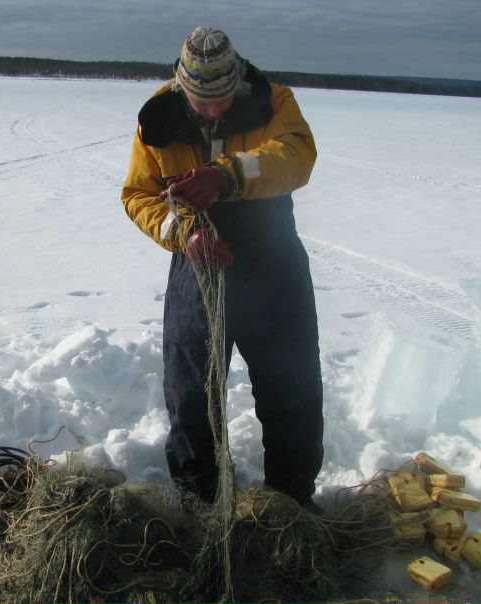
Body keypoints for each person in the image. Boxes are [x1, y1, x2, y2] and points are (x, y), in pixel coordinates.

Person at [121, 27, 324, 507]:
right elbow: (138, 195)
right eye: (200, 100)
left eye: (222, 99)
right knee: (191, 389)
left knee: (290, 384)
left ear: (236, 83)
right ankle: (200, 498)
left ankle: (290, 502)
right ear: (181, 87)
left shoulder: (274, 102)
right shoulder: (158, 118)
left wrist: (225, 175)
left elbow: (296, 156)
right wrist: (182, 234)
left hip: (272, 262)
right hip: (199, 264)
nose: (212, 110)